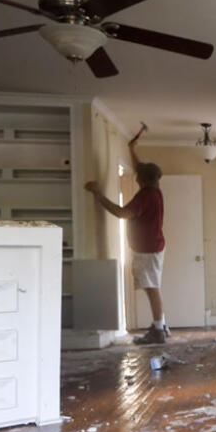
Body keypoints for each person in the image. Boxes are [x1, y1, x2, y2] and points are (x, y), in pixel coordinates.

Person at [84, 125, 169, 345]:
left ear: (140, 179)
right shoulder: (154, 189)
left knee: (152, 288)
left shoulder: (144, 197)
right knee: (153, 287)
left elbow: (121, 213)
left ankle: (159, 330)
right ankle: (161, 325)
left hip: (148, 249)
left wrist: (98, 194)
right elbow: (139, 167)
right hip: (152, 246)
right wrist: (132, 149)